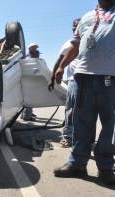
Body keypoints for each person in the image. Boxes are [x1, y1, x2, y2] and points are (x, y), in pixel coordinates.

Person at [53, 0, 115, 185]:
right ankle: (77, 164)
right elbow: (75, 45)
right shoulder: (87, 17)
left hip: (111, 79)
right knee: (81, 123)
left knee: (110, 127)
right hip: (83, 78)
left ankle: (105, 168)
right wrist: (61, 67)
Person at [48, 18, 80, 148]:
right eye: (73, 26)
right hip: (74, 80)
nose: (75, 28)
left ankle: (83, 138)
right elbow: (58, 61)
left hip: (91, 80)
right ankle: (67, 136)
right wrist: (51, 79)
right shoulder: (69, 43)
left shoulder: (93, 39)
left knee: (87, 113)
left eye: (77, 25)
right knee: (71, 111)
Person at [21, 43, 39, 121]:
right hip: (29, 80)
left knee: (28, 98)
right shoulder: (29, 58)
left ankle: (26, 113)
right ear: (30, 49)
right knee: (29, 98)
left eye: (36, 48)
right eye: (34, 48)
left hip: (30, 80)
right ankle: (26, 116)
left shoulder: (31, 56)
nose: (36, 50)